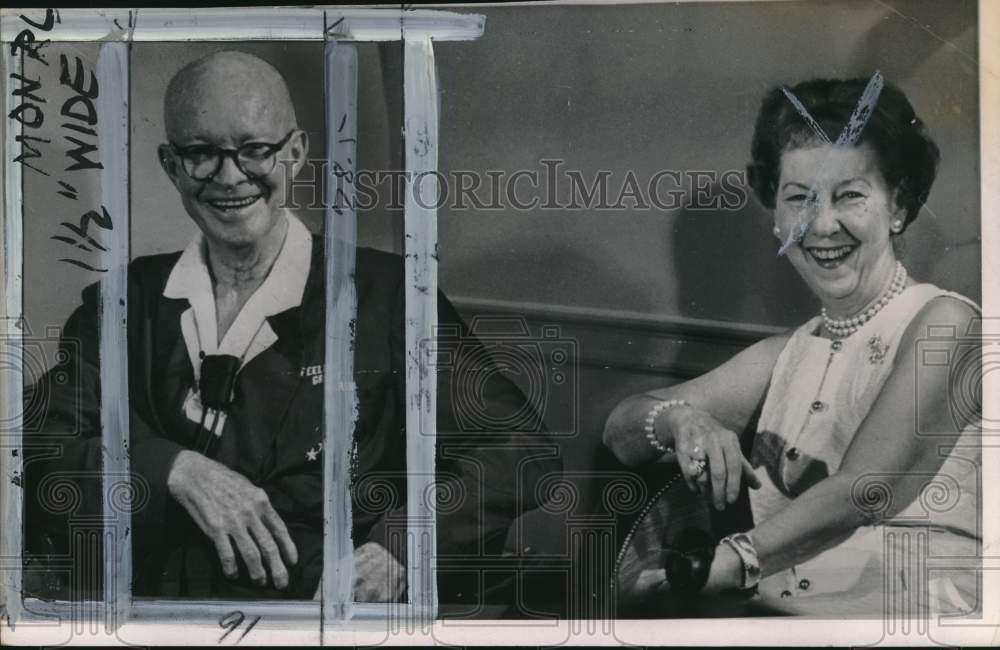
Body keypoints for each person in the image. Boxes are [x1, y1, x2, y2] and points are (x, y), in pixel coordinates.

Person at [24, 50, 559, 604]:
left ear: (295, 152)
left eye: (255, 150)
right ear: (170, 163)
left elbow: (520, 449)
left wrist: (401, 545)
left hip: (317, 614)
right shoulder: (124, 301)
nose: (230, 178)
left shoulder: (389, 293)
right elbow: (39, 447)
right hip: (148, 611)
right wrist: (173, 469)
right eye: (201, 153)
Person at [603, 77, 981, 615]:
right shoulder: (788, 354)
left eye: (850, 195)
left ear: (897, 205)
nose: (822, 224)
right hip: (787, 617)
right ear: (776, 215)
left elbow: (860, 492)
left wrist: (725, 567)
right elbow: (622, 429)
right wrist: (680, 420)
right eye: (799, 198)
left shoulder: (947, 323)